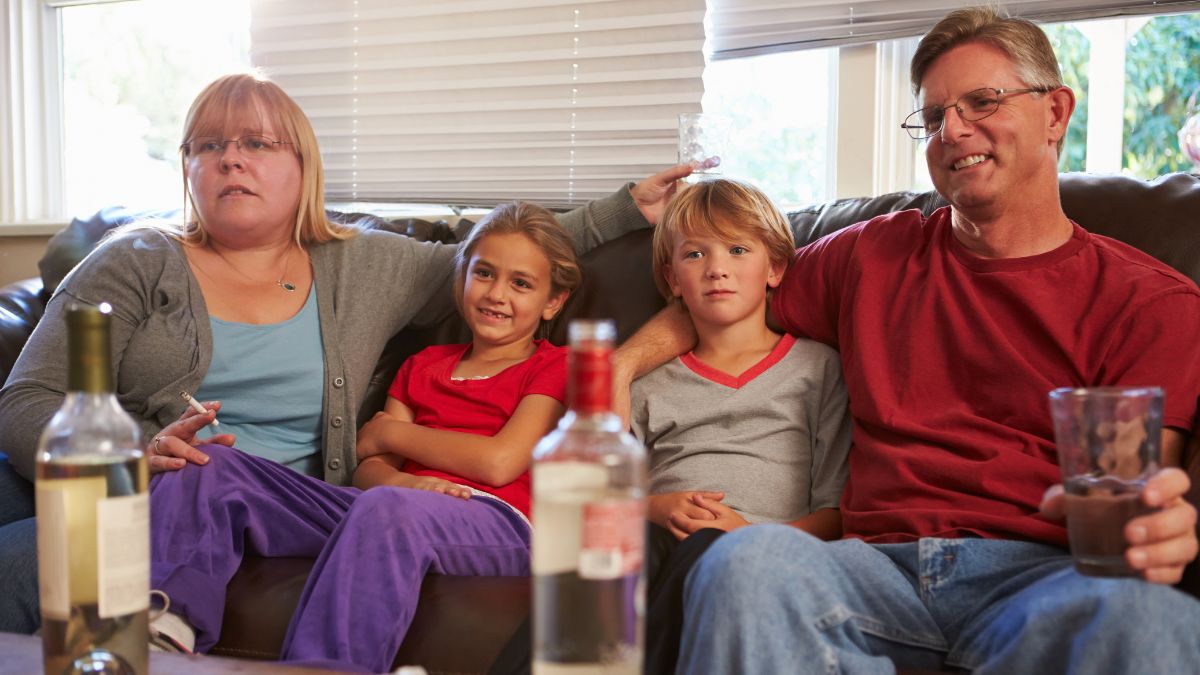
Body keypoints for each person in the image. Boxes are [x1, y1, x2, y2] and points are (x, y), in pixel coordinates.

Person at [0, 73, 689, 640]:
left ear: (304, 167)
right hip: (146, 492)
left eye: (255, 143)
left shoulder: (362, 264)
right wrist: (132, 454)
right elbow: (26, 402)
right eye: (208, 145)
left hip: (302, 503)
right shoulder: (131, 261)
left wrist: (624, 209)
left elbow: (500, 255)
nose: (230, 158)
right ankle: (163, 628)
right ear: (187, 168)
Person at [617, 7, 1200, 673]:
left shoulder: (1151, 302)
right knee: (746, 560)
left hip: (1041, 578)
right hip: (868, 569)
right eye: (933, 116)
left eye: (983, 101)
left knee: (1153, 619)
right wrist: (619, 366)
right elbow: (730, 289)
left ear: (1056, 113)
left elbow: (1138, 496)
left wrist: (1150, 528)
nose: (952, 130)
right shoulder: (868, 255)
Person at [150, 200, 579, 672]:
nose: (497, 294)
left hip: (500, 519)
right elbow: (368, 465)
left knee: (386, 510)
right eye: (484, 274)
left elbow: (499, 461)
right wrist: (404, 483)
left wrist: (393, 434)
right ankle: (164, 629)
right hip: (395, 509)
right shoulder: (424, 364)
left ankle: (325, 668)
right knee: (210, 466)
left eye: (521, 284)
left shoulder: (554, 365)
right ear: (463, 277)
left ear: (553, 302)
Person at [633, 178, 851, 673]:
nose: (716, 269)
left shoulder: (819, 370)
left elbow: (836, 513)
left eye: (737, 249)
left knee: (712, 547)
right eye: (694, 255)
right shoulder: (647, 385)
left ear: (775, 268)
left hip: (766, 554)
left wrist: (751, 538)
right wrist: (657, 506)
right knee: (618, 551)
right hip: (657, 537)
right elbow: (597, 497)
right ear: (672, 279)